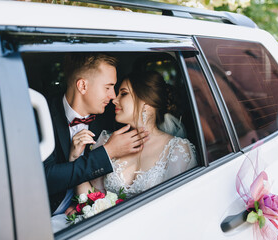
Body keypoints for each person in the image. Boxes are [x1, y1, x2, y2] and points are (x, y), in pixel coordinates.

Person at [51, 70, 197, 232]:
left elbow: (178, 212)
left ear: (146, 103)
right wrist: (75, 157)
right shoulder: (106, 141)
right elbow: (92, 199)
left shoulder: (177, 150)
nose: (114, 99)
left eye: (124, 94)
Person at [44, 53, 149, 216]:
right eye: (108, 87)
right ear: (83, 86)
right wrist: (107, 152)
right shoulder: (42, 115)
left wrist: (80, 207)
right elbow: (46, 178)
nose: (113, 96)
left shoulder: (111, 117)